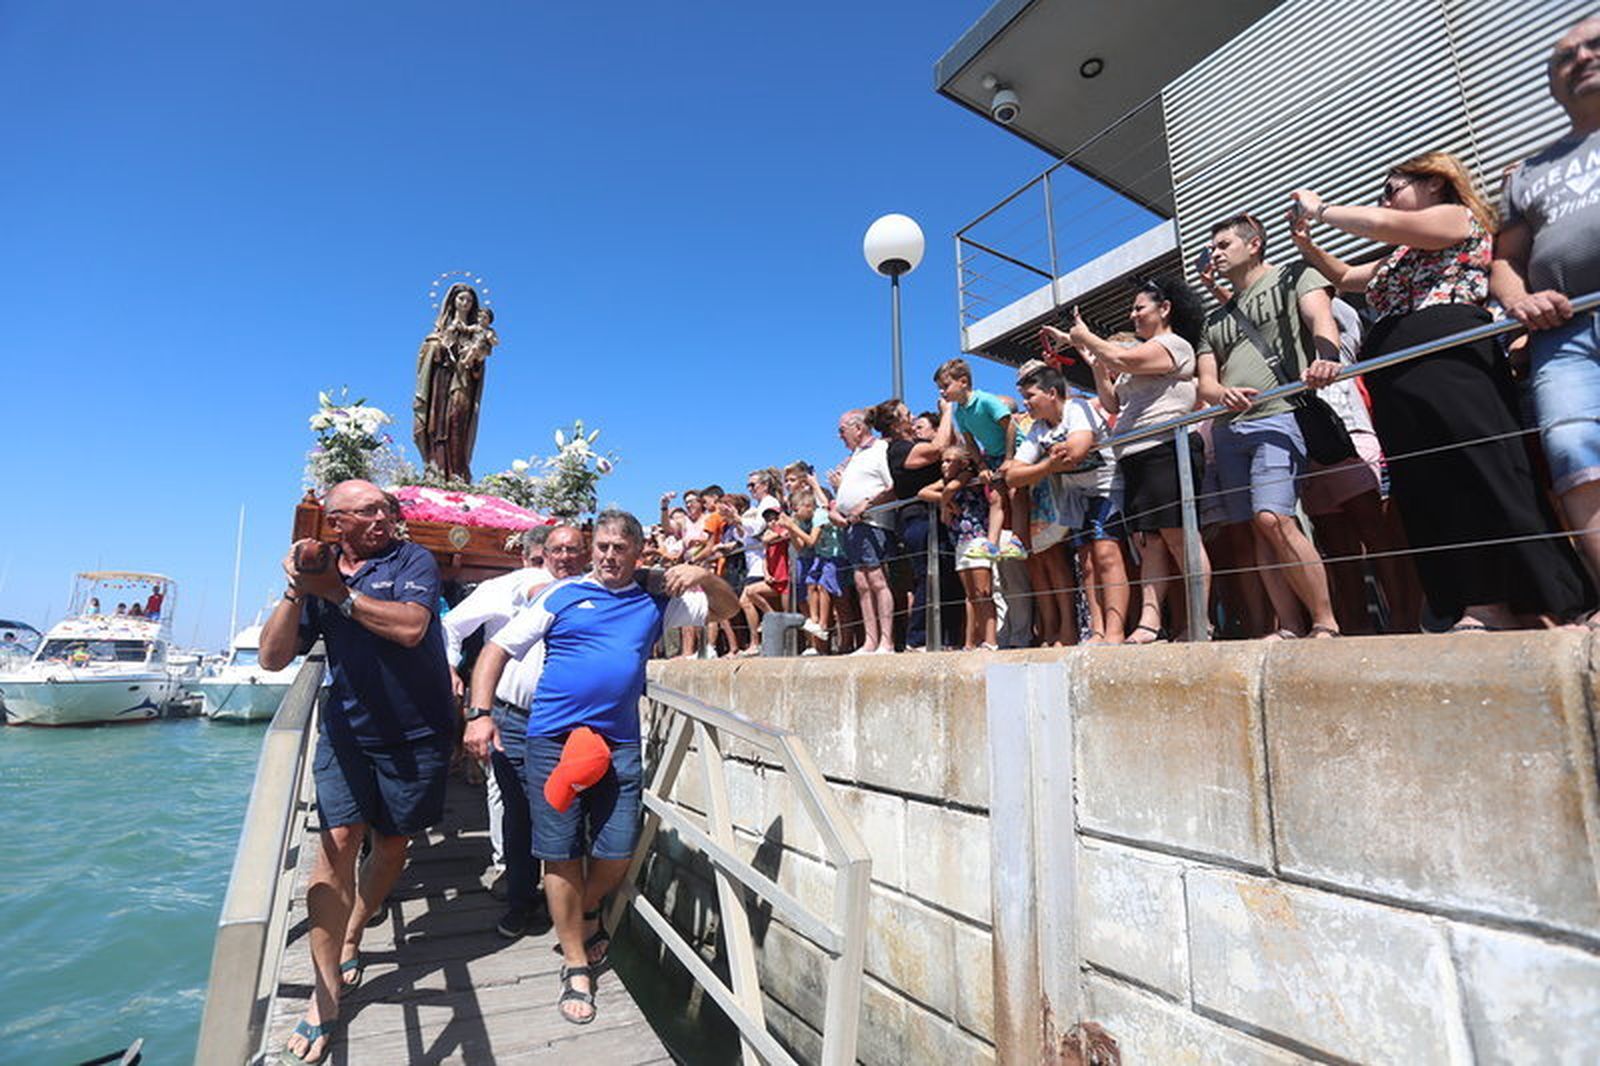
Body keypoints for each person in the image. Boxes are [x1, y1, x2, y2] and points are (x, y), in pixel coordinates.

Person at [1290, 152, 1595, 630]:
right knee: (1430, 489)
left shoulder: (1456, 217)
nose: (1384, 200)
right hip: (1396, 375)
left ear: (1433, 183)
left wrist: (1322, 210)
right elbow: (1347, 277)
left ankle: (1560, 599)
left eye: (1391, 188)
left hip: (1450, 362)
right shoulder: (1397, 257)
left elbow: (1378, 224)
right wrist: (1308, 246)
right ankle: (1477, 602)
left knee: (1487, 472)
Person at [468, 510, 738, 1025]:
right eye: (603, 547)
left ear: (639, 553)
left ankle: (581, 911)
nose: (609, 556)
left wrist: (703, 575)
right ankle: (574, 962)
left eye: (620, 548)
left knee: (616, 849)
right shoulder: (561, 595)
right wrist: (480, 715)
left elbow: (727, 610)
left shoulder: (656, 597)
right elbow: (497, 650)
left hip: (617, 744)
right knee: (560, 851)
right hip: (552, 739)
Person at [259, 480, 456, 1065]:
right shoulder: (320, 573)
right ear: (335, 522)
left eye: (384, 509)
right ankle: (324, 997)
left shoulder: (410, 558)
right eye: (365, 511)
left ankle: (353, 930)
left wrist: (339, 595)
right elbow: (272, 657)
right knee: (338, 844)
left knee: (392, 846)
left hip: (416, 732)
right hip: (347, 732)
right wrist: (299, 589)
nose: (382, 518)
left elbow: (411, 627)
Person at [1492, 15, 1600, 624]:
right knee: (1572, 452)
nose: (1581, 57)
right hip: (1562, 331)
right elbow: (1505, 261)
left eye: (1594, 45)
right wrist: (1517, 301)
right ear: (1553, 84)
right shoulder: (1530, 171)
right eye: (1565, 54)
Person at [1195, 213, 1344, 639]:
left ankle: (1326, 621)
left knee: (1273, 518)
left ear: (1254, 243)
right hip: (1229, 429)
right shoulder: (1214, 319)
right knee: (1258, 530)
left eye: (1224, 245)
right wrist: (1220, 393)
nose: (1215, 254)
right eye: (1213, 247)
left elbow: (1320, 318)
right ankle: (1290, 625)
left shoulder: (1294, 276)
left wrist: (1326, 355)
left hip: (1279, 415)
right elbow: (1206, 380)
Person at [1049, 279, 1211, 642]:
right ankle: (1149, 623)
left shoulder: (1173, 345)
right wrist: (1094, 363)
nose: (1133, 314)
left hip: (1166, 449)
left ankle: (1201, 622)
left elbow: (1124, 358)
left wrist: (1084, 337)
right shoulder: (1139, 357)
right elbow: (1111, 404)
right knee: (1150, 542)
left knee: (1178, 537)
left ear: (1164, 309)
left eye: (1140, 308)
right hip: (1136, 455)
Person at [442, 525, 577, 940]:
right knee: (517, 810)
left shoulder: (591, 592)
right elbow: (451, 627)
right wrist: (449, 667)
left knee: (566, 811)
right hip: (514, 717)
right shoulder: (504, 588)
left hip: (569, 720)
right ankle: (522, 900)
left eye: (566, 554)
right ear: (528, 559)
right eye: (540, 560)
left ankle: (572, 908)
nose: (545, 571)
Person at [1009, 363, 1131, 644]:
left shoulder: (1077, 409)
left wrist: (1042, 465)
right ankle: (1097, 630)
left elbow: (1076, 450)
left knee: (1107, 555)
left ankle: (1115, 631)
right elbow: (1014, 476)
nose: (1026, 403)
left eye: (1030, 396)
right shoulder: (1038, 427)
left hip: (1107, 488)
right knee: (1087, 563)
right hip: (1075, 496)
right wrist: (1050, 464)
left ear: (1052, 393)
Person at [868, 397, 957, 650]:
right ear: (896, 423)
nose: (912, 417)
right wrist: (948, 411)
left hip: (934, 515)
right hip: (918, 518)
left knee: (946, 576)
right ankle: (917, 639)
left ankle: (948, 639)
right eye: (907, 414)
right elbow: (939, 447)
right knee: (928, 576)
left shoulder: (910, 445)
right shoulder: (898, 449)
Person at [934, 358, 1025, 561]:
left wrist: (1010, 458)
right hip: (992, 456)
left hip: (1016, 450)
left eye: (945, 386)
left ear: (963, 381)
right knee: (995, 497)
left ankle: (1019, 540)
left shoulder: (985, 400)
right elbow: (970, 443)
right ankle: (991, 544)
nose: (942, 392)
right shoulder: (960, 412)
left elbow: (1009, 425)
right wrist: (982, 465)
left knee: (1014, 491)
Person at [831, 409, 898, 654]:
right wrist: (836, 511)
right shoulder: (855, 456)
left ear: (858, 427)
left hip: (872, 523)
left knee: (877, 580)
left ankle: (886, 640)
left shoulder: (880, 449)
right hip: (851, 525)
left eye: (842, 430)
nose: (840, 436)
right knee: (861, 582)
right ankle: (870, 640)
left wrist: (866, 505)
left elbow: (891, 486)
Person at [928, 443, 998, 649]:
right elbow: (923, 492)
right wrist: (947, 504)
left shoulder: (967, 475)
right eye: (943, 460)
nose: (944, 465)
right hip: (960, 541)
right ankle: (971, 641)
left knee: (983, 591)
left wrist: (944, 503)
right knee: (971, 595)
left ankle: (991, 640)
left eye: (949, 460)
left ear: (963, 462)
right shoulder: (946, 481)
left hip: (977, 536)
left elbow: (950, 489)